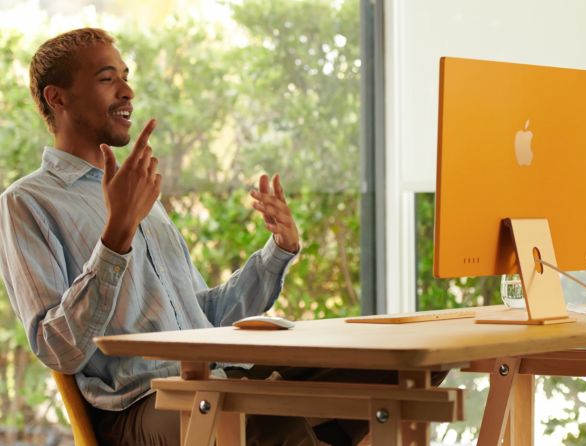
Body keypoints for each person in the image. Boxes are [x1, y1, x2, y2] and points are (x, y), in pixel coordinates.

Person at [0, 28, 444, 446]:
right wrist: (116, 238)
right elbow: (56, 347)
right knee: (264, 415)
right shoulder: (27, 202)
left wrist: (278, 252)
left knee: (405, 363)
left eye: (126, 77)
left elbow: (205, 317)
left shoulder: (139, 195)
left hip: (215, 374)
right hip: (138, 406)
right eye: (106, 78)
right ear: (56, 97)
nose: (127, 91)